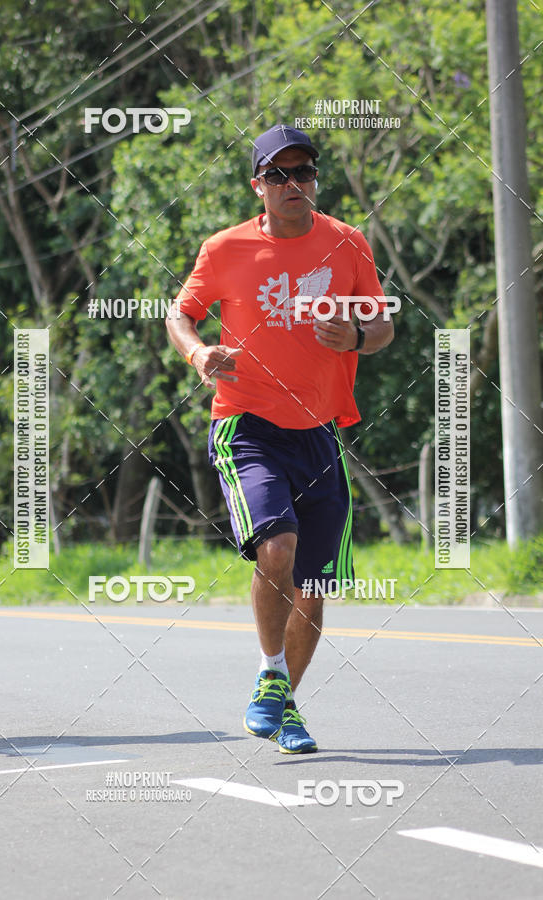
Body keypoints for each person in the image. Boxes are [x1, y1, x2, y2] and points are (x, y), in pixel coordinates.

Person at [166, 124, 394, 753]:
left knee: (314, 586)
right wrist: (198, 352)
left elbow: (381, 329)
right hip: (248, 423)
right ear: (258, 186)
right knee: (278, 547)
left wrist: (357, 338)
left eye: (304, 173)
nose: (294, 184)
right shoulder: (225, 249)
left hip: (322, 431)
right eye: (279, 175)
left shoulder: (347, 243)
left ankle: (283, 701)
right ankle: (271, 673)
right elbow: (179, 313)